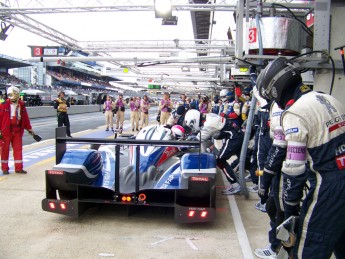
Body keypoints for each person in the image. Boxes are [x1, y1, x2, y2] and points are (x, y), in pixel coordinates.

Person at [257, 57, 345, 258]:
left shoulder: (295, 113)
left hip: (329, 186)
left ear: (276, 88)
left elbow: (293, 169)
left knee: (308, 248)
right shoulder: (328, 98)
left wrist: (290, 209)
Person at [0, 86, 35, 174]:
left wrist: (29, 128)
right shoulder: (3, 105)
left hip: (17, 130)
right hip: (6, 130)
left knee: (18, 149)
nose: (14, 97)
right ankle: (5, 168)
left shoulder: (21, 105)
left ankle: (18, 168)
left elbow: (25, 118)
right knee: (4, 150)